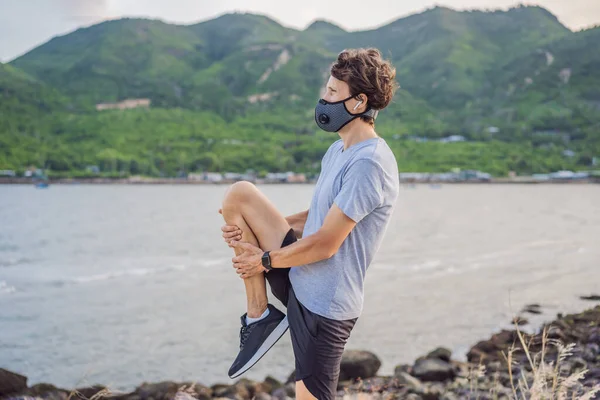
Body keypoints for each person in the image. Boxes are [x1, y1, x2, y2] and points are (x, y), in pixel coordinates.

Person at [218, 48, 400, 400]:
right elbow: (316, 216)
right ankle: (259, 318)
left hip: (325, 304)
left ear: (359, 103)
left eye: (333, 93)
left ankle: (262, 318)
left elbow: (326, 243)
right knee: (239, 197)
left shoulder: (369, 163)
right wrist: (254, 230)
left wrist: (264, 260)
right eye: (326, 90)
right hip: (301, 278)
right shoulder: (338, 151)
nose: (323, 99)